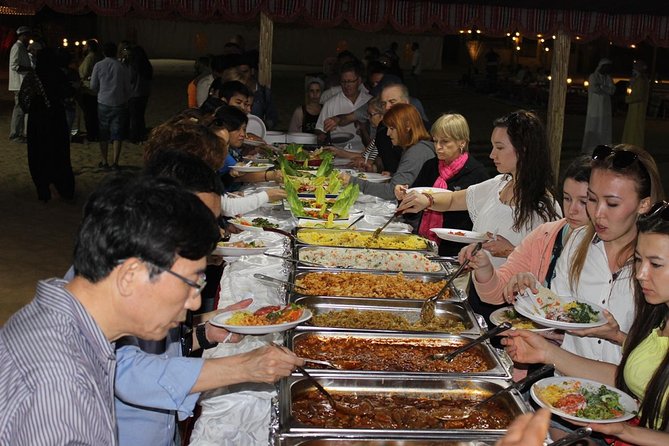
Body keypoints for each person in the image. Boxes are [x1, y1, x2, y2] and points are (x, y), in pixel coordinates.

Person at [0, 174, 219, 444]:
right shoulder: (60, 386)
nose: (195, 302)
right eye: (191, 282)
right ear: (130, 276)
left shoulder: (61, 321)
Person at [113, 151, 303, 446]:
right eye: (200, 219)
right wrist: (243, 367)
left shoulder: (163, 260)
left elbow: (163, 349)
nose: (212, 232)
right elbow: (124, 372)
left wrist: (207, 331)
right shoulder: (123, 271)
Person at [501, 200, 669, 446]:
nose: (640, 274)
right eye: (638, 260)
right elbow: (629, 378)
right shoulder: (659, 316)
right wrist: (547, 352)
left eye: (655, 264)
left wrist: (624, 431)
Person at [397, 110, 562, 323]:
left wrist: (510, 251)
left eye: (500, 148)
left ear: (524, 150)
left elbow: (552, 268)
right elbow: (452, 200)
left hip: (513, 306)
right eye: (493, 146)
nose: (492, 155)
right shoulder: (499, 184)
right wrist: (425, 200)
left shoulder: (544, 206)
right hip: (478, 289)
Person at [462, 156, 592, 302]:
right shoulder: (545, 235)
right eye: (567, 198)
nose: (572, 210)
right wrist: (484, 266)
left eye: (583, 202)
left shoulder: (607, 247)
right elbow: (497, 293)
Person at [398, 113, 489, 256]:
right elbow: (411, 211)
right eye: (435, 141)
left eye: (445, 142)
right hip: (423, 243)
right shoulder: (430, 166)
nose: (438, 147)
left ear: (462, 142)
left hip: (458, 249)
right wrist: (403, 195)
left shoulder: (477, 173)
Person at [341, 103, 435, 200]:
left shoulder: (416, 152)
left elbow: (392, 192)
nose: (388, 133)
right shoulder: (418, 149)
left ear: (407, 126)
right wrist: (393, 175)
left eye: (392, 128)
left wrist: (353, 182)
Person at [24, 47, 76, 203]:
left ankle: (44, 188)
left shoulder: (32, 76)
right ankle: (61, 186)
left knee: (39, 152)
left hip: (37, 119)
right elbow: (68, 92)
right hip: (55, 118)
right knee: (57, 151)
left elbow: (23, 100)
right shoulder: (58, 74)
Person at [90, 41, 131, 169]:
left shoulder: (99, 65)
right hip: (119, 102)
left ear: (103, 52)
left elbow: (93, 86)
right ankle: (115, 162)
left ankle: (104, 161)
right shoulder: (122, 66)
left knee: (104, 133)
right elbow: (127, 87)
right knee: (117, 133)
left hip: (103, 101)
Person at [315, 60, 372, 151]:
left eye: (350, 81)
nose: (347, 85)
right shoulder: (330, 103)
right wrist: (322, 135)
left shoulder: (369, 101)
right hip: (338, 152)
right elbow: (319, 129)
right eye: (343, 82)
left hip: (365, 154)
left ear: (359, 81)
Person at [582, 58, 616, 153]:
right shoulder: (593, 76)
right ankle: (590, 148)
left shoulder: (608, 78)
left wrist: (602, 87)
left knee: (604, 126)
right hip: (595, 107)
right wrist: (605, 88)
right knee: (594, 126)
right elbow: (594, 89)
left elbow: (612, 90)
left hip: (605, 107)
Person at [8, 26, 32, 143]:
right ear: (22, 35)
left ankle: (19, 133)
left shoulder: (22, 47)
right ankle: (15, 134)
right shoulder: (17, 47)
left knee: (22, 109)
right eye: (27, 35)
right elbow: (14, 65)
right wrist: (28, 69)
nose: (28, 37)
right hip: (18, 84)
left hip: (22, 83)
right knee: (19, 109)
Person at [78, 39, 104, 142]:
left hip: (89, 89)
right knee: (95, 113)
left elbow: (83, 73)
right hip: (98, 88)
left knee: (89, 114)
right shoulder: (100, 56)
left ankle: (92, 134)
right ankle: (97, 133)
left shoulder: (90, 58)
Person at [127, 45, 153, 143]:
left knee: (134, 117)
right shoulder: (147, 66)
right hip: (144, 93)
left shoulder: (133, 66)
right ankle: (141, 133)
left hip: (134, 94)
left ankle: (135, 136)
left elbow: (130, 79)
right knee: (140, 115)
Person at [622, 60, 649, 148]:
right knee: (631, 128)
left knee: (636, 128)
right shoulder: (637, 79)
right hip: (633, 107)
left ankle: (635, 146)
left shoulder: (641, 80)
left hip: (638, 107)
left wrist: (628, 99)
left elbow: (640, 95)